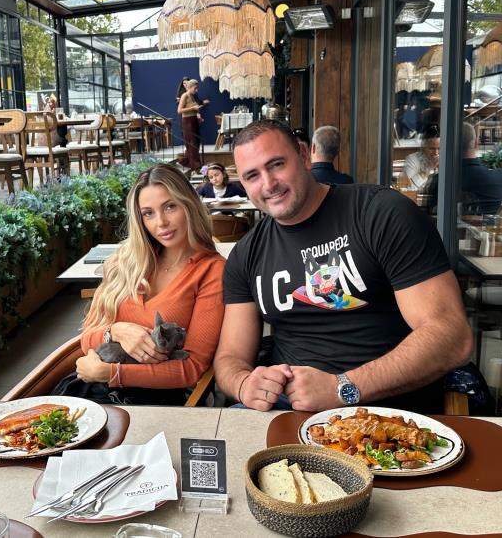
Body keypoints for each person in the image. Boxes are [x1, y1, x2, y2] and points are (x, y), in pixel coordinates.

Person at [214, 119, 473, 413]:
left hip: (387, 411)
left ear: (303, 156)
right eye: (252, 176)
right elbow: (230, 357)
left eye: (276, 165)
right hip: (286, 410)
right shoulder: (246, 253)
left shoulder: (380, 213)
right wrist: (244, 384)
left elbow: (452, 336)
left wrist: (343, 387)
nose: (268, 184)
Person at [67, 164, 225, 404]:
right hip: (94, 392)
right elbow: (87, 337)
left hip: (157, 402)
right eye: (148, 213)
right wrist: (116, 331)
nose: (161, 222)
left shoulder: (211, 270)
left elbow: (192, 368)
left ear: (189, 205)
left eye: (170, 207)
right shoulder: (125, 261)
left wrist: (112, 374)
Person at [424, 123, 502, 215]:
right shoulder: (500, 178)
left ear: (450, 146)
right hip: (485, 224)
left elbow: (433, 213)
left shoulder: (442, 179)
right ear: (476, 144)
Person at [177, 79, 209, 172]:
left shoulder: (192, 96)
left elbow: (194, 109)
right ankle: (197, 167)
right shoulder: (185, 95)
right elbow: (179, 110)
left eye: (197, 88)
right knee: (192, 144)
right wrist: (193, 108)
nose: (197, 90)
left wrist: (198, 114)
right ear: (190, 87)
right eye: (195, 88)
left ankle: (185, 162)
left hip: (194, 120)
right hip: (187, 122)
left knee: (196, 143)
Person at [399, 125, 439, 190]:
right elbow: (408, 189)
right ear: (423, 148)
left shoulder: (447, 161)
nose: (436, 153)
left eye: (439, 148)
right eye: (432, 148)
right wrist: (428, 169)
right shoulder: (412, 159)